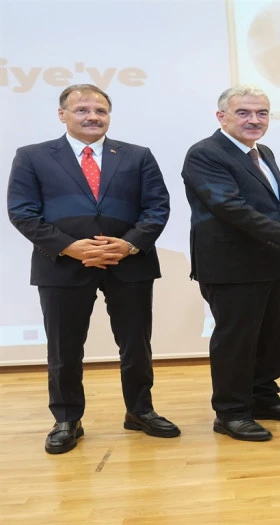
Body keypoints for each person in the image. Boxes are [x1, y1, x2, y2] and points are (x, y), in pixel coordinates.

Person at [6, 84, 180, 455]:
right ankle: (67, 419)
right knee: (64, 348)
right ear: (62, 114)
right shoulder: (32, 156)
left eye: (100, 111)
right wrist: (70, 247)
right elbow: (22, 211)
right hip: (62, 265)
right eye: (82, 110)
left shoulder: (138, 155)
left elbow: (157, 207)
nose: (92, 117)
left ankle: (140, 411)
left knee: (136, 345)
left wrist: (128, 245)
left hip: (129, 263)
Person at [181, 84, 280, 442]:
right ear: (221, 116)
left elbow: (265, 199)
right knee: (237, 341)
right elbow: (231, 207)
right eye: (243, 112)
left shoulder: (262, 151)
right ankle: (231, 413)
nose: (254, 120)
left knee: (269, 338)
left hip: (268, 261)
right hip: (231, 266)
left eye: (262, 113)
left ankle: (263, 399)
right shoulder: (205, 154)